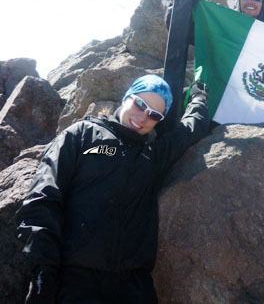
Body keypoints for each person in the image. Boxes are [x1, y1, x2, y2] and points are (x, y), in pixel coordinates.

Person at [17, 74, 209, 304]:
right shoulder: (82, 134)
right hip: (75, 280)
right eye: (140, 104)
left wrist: (198, 98)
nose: (143, 117)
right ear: (127, 96)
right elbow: (44, 195)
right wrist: (43, 272)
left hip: (134, 286)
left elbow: (190, 128)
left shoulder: (152, 155)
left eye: (154, 115)